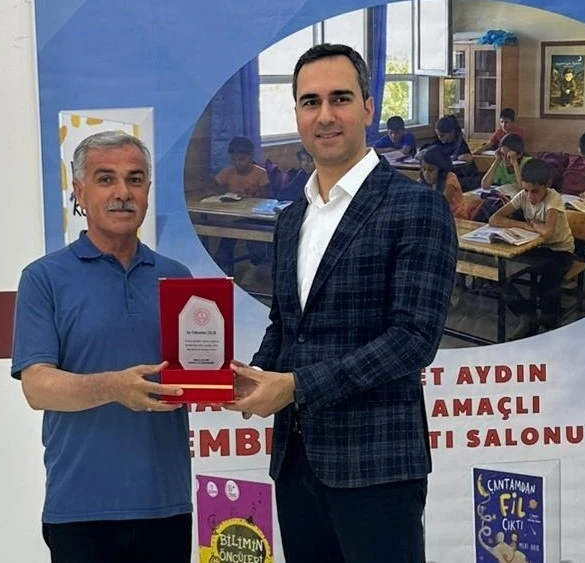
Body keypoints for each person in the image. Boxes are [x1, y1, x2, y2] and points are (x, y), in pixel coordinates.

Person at [225, 43, 458, 563]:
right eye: (310, 102)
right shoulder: (291, 219)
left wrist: (294, 386)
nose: (325, 115)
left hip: (377, 464)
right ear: (297, 114)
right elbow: (285, 325)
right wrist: (254, 375)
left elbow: (413, 340)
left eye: (340, 98)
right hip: (295, 460)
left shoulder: (417, 207)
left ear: (368, 107)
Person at [11, 131, 193, 563]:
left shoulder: (179, 278)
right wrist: (113, 387)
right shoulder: (43, 278)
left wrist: (225, 380)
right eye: (106, 179)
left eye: (135, 179)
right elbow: (37, 387)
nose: (122, 193)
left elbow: (193, 375)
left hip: (166, 505)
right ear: (79, 192)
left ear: (148, 190)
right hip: (80, 508)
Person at [488, 159, 575, 337]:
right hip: (535, 248)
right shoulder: (523, 195)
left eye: (535, 191)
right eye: (526, 190)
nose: (529, 196)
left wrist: (534, 225)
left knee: (547, 283)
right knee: (498, 274)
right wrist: (525, 225)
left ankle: (550, 325)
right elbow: (494, 219)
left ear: (547, 185)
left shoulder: (553, 198)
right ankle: (526, 314)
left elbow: (548, 232)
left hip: (560, 250)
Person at [211, 135, 271, 275]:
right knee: (226, 240)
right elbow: (212, 184)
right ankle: (223, 269)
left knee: (255, 242)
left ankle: (258, 268)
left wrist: (251, 198)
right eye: (234, 159)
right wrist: (216, 191)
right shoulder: (229, 172)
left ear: (250, 157)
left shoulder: (260, 173)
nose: (237, 163)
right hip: (235, 217)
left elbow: (266, 198)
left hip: (255, 218)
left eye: (241, 159)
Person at [419, 146, 478, 220]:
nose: (426, 174)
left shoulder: (450, 180)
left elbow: (441, 205)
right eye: (424, 169)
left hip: (456, 217)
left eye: (431, 169)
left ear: (441, 169)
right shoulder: (422, 180)